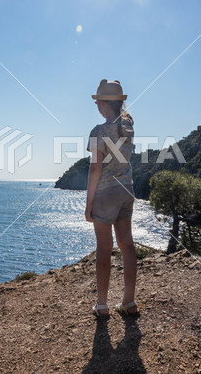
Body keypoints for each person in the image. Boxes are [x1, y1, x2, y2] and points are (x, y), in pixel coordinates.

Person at [85, 79, 139, 317]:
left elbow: (95, 168)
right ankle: (129, 302)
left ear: (102, 104)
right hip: (127, 189)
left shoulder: (98, 131)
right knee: (127, 245)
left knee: (104, 249)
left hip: (105, 193)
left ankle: (102, 304)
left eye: (98, 102)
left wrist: (89, 204)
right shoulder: (128, 126)